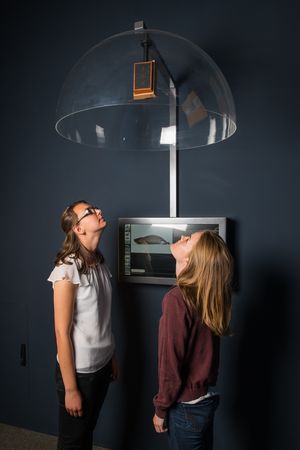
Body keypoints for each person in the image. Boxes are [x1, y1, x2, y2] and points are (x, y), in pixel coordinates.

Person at [153, 230, 233, 450]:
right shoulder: (206, 294)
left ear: (191, 260)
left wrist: (161, 409)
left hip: (185, 409)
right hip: (203, 401)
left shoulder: (176, 299)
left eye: (189, 240)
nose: (183, 237)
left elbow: (170, 362)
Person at [48, 200, 118, 450]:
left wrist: (111, 355)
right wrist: (70, 389)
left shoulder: (99, 261)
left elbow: (101, 317)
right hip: (79, 374)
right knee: (72, 442)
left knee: (86, 433)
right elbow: (61, 332)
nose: (99, 211)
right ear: (78, 229)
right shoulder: (67, 269)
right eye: (90, 212)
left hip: (101, 366)